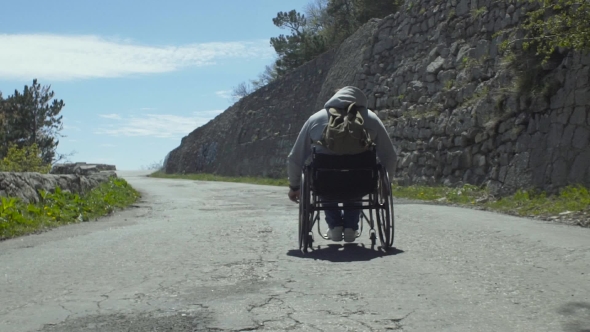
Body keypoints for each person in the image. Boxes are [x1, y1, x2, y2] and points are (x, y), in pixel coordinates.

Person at [287, 86, 397, 243]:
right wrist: (385, 184)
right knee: (357, 179)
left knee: (322, 178)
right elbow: (389, 155)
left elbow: (295, 157)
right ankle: (351, 228)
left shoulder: (316, 119)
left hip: (325, 181)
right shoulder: (371, 119)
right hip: (361, 181)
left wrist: (294, 186)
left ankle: (335, 227)